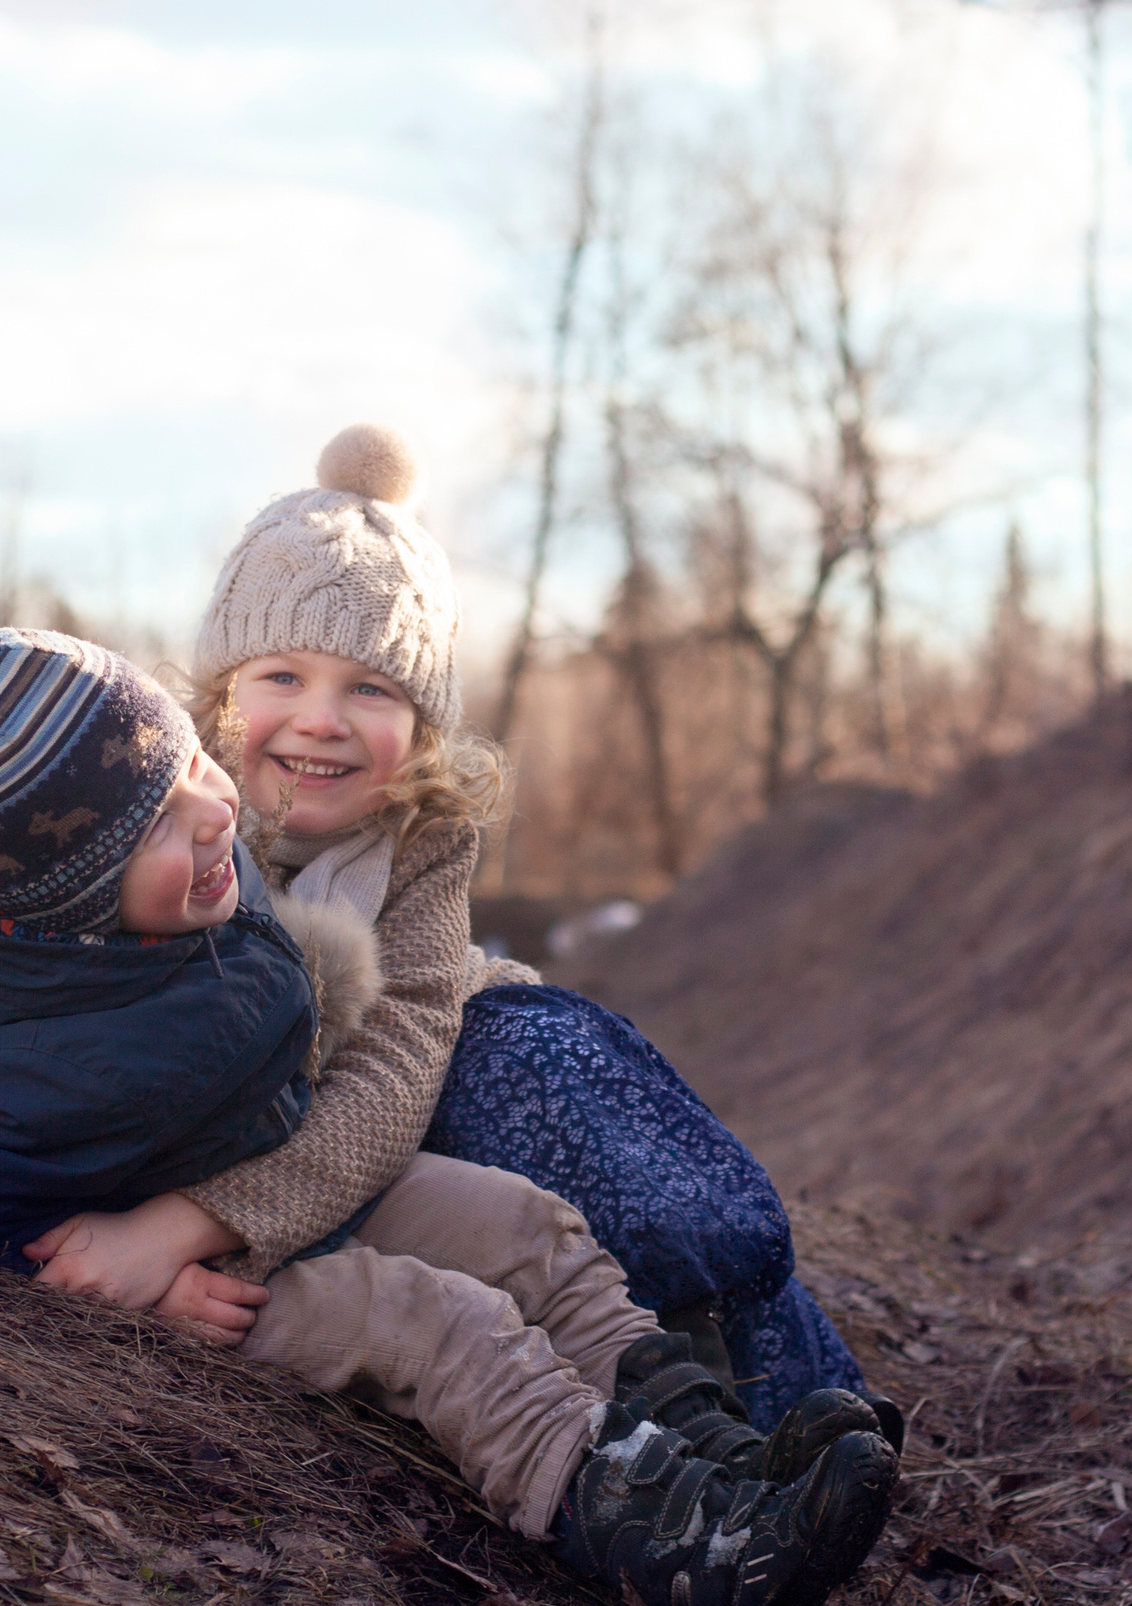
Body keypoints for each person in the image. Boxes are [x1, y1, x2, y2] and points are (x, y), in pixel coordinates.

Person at [0, 627, 897, 1606]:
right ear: (60, 907)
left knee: (521, 1224)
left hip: (257, 1187)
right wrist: (112, 1279)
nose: (214, 811)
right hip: (203, 1293)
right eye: (156, 824)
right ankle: (672, 1541)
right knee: (436, 1321)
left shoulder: (178, 896)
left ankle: (715, 1457)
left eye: (194, 765)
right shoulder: (14, 1069)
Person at [174, 422, 899, 1444]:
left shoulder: (419, 834)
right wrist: (201, 1227)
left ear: (420, 728)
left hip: (447, 1062)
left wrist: (208, 1225)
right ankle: (717, 1418)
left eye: (370, 687)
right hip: (336, 1129)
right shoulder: (167, 825)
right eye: (282, 677)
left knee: (600, 1129)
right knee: (529, 1133)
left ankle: (803, 1409)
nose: (322, 719)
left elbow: (399, 1062)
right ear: (220, 694)